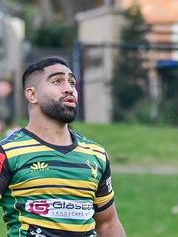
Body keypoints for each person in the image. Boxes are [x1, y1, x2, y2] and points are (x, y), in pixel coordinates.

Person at [0, 57, 126, 236]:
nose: (69, 89)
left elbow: (108, 224)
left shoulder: (95, 154)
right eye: (57, 81)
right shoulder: (7, 152)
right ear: (32, 94)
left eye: (72, 82)